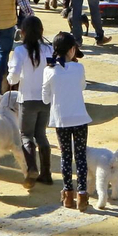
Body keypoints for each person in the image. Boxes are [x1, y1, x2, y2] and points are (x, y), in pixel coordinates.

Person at [43, 31, 93, 210]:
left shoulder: (49, 70)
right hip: (79, 117)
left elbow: (45, 99)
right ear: (72, 50)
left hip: (61, 119)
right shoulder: (79, 68)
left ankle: (67, 195)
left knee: (65, 156)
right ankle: (82, 195)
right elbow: (82, 86)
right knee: (80, 157)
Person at [8, 15, 54, 189]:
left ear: (23, 32)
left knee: (26, 135)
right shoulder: (49, 49)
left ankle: (32, 168)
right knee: (41, 134)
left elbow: (13, 78)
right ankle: (47, 173)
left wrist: (9, 73)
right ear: (41, 31)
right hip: (45, 98)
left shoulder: (20, 51)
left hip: (27, 98)